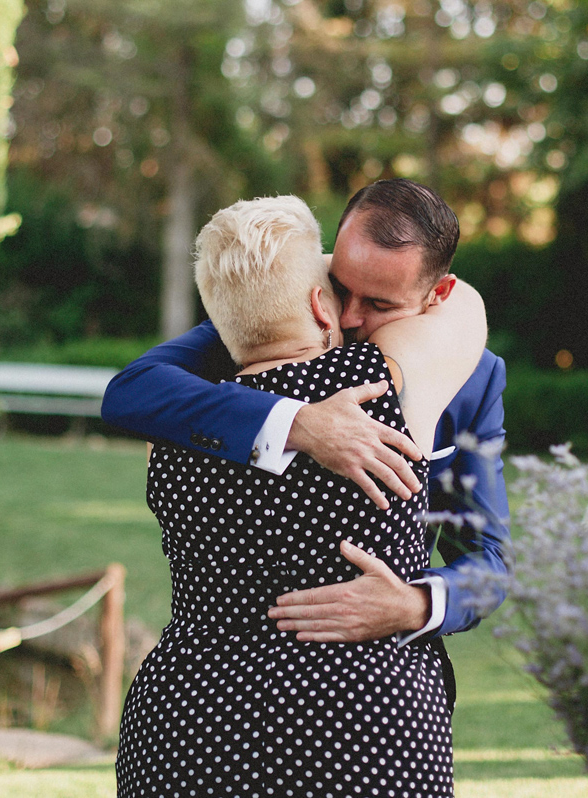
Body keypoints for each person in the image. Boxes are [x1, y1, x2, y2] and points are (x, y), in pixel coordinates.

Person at [115, 195, 488, 795]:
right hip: (361, 727)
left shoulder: (177, 430)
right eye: (340, 292)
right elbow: (465, 303)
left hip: (184, 724)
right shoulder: (384, 381)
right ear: (322, 305)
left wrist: (253, 295)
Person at [101, 178, 509, 652]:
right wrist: (298, 422)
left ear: (438, 293)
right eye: (340, 286)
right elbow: (132, 391)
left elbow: (490, 560)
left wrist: (416, 604)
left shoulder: (475, 377)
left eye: (379, 304)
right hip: (227, 665)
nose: (348, 316)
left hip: (376, 686)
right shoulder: (279, 313)